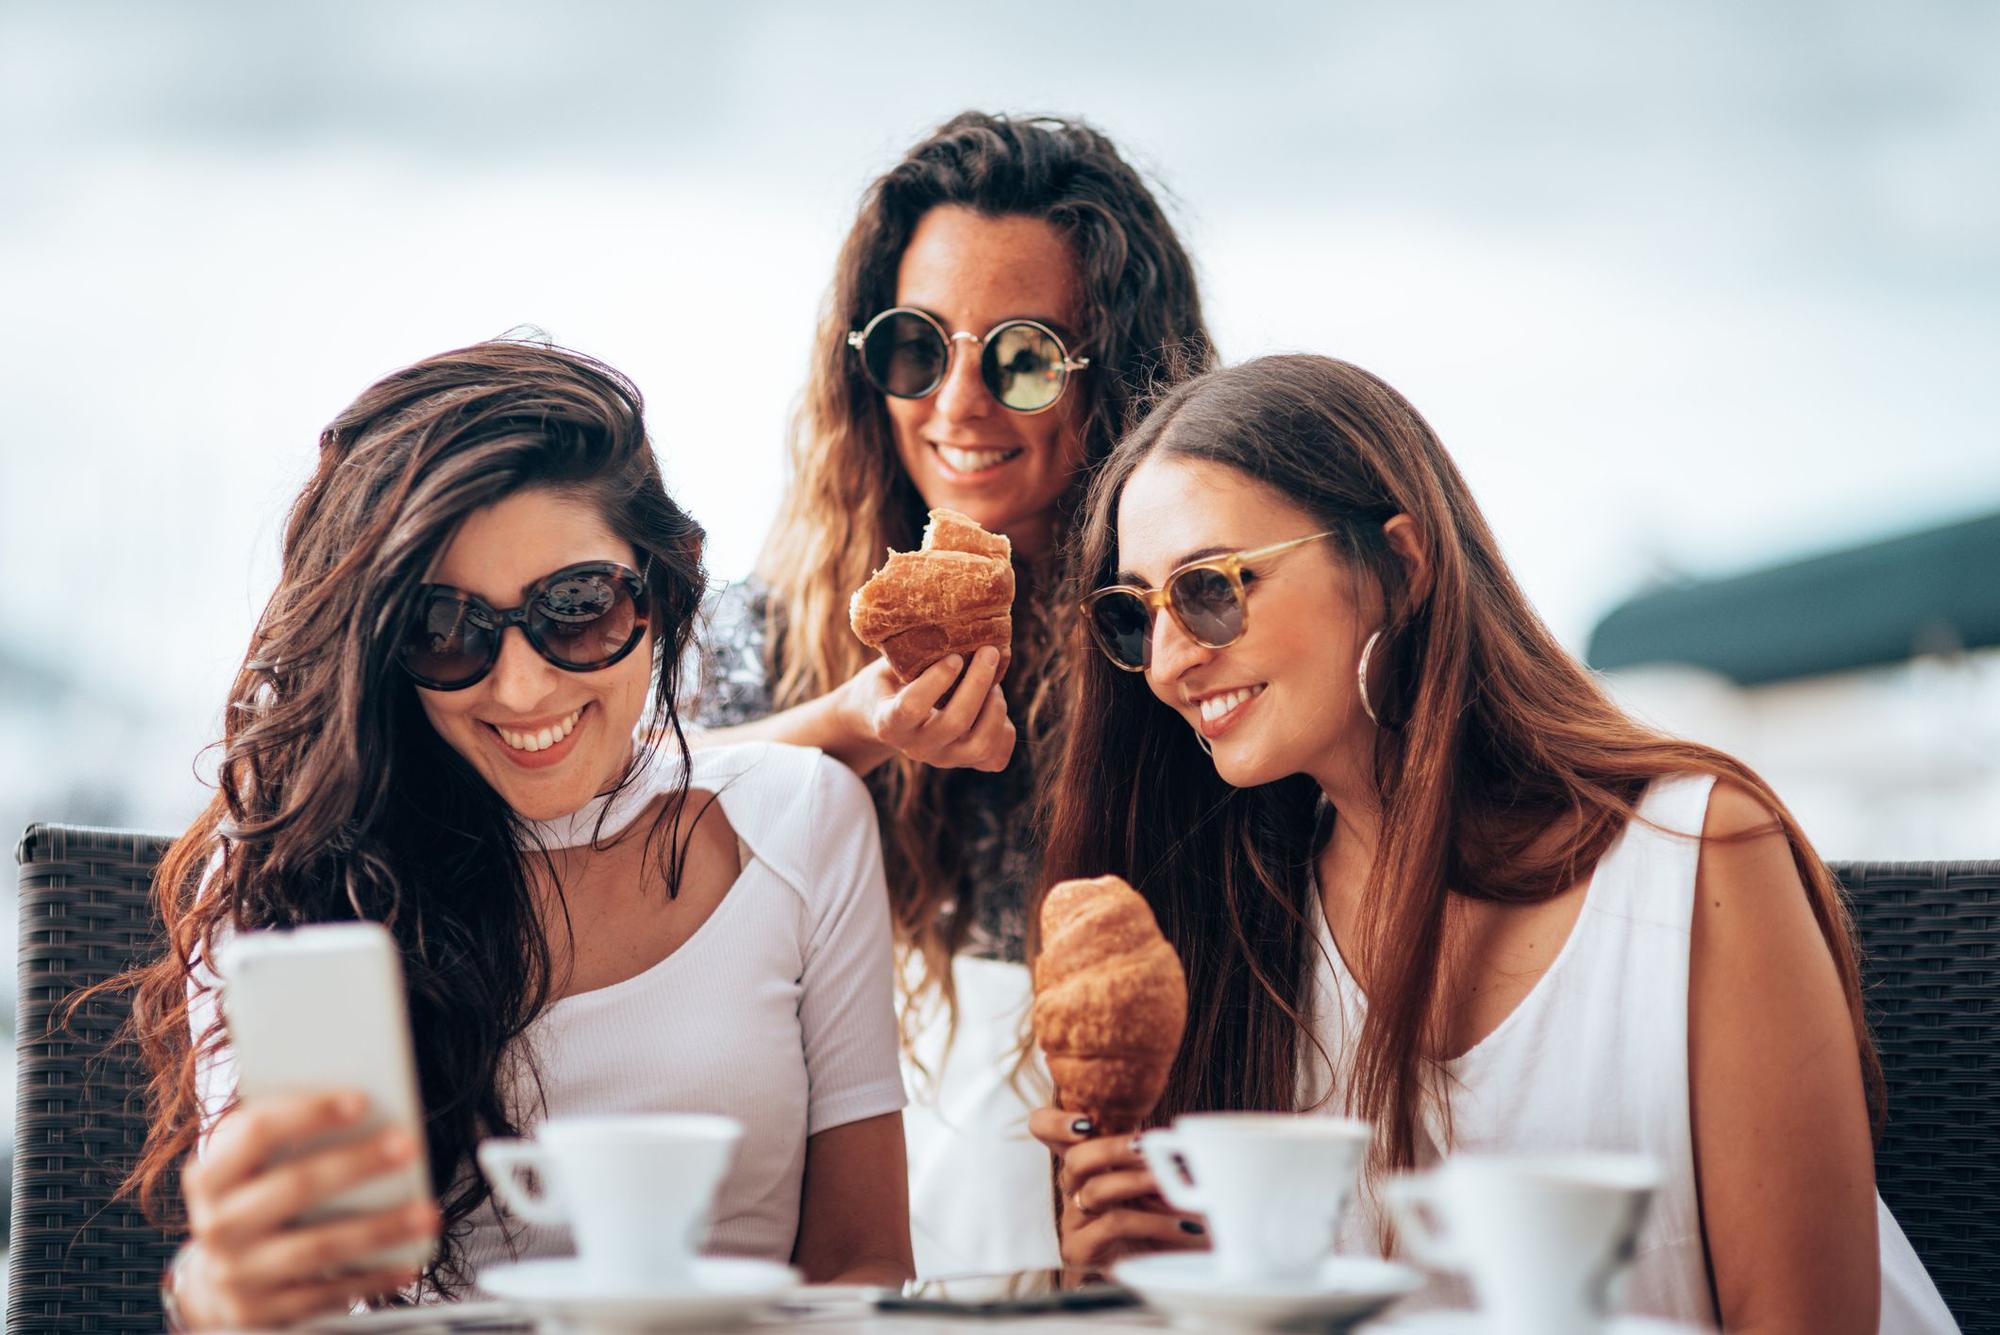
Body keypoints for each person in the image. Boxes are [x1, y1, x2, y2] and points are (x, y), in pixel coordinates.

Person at [1029, 355, 1955, 1332]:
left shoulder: (1697, 854)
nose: (1169, 662)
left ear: (1397, 566)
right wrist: (1142, 1286)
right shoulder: (1230, 931)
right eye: (1133, 616)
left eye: (1210, 588)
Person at [119, 342, 912, 1329]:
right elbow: (281, 1296)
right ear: (377, 652)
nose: (522, 687)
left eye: (576, 611)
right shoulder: (293, 873)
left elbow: (862, 1266)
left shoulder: (802, 820)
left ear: (662, 591)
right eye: (445, 630)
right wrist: (214, 1293)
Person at [691, 112, 1213, 1273]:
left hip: (1110, 1258)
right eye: (917, 348)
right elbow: (630, 834)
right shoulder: (764, 634)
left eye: (1023, 356)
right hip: (819, 1268)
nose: (958, 406)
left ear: (1114, 375)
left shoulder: (1180, 638)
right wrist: (849, 727)